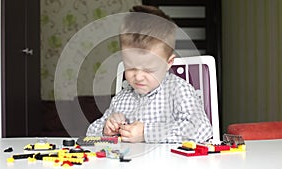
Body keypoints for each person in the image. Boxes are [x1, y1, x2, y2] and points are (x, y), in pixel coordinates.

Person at [86, 5, 212, 143]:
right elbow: (90, 133)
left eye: (149, 70)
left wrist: (147, 133)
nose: (138, 77)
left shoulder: (178, 90)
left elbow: (201, 128)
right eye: (131, 67)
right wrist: (106, 129)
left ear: (168, 63)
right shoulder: (122, 98)